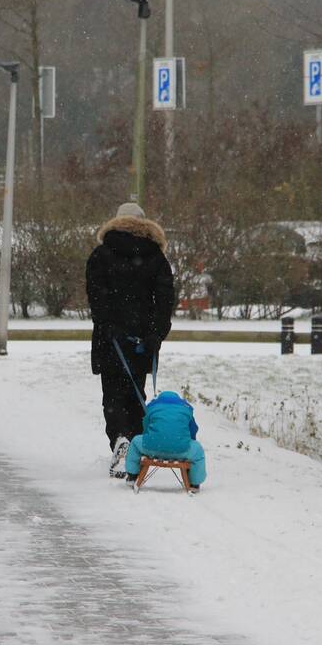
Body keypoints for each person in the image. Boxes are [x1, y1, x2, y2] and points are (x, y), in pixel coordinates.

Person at [85, 202, 174, 477]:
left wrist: (107, 323)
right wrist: (157, 333)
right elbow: (165, 300)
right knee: (136, 392)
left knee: (112, 394)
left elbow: (95, 295)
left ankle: (119, 441)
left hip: (110, 338)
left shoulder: (101, 254)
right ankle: (134, 445)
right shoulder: (156, 256)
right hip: (142, 339)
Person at [124, 391, 206, 492]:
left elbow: (145, 427)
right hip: (180, 450)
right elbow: (193, 430)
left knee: (135, 442)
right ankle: (195, 483)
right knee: (198, 450)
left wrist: (150, 438)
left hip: (152, 447)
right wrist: (187, 442)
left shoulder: (152, 407)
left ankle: (132, 475)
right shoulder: (186, 409)